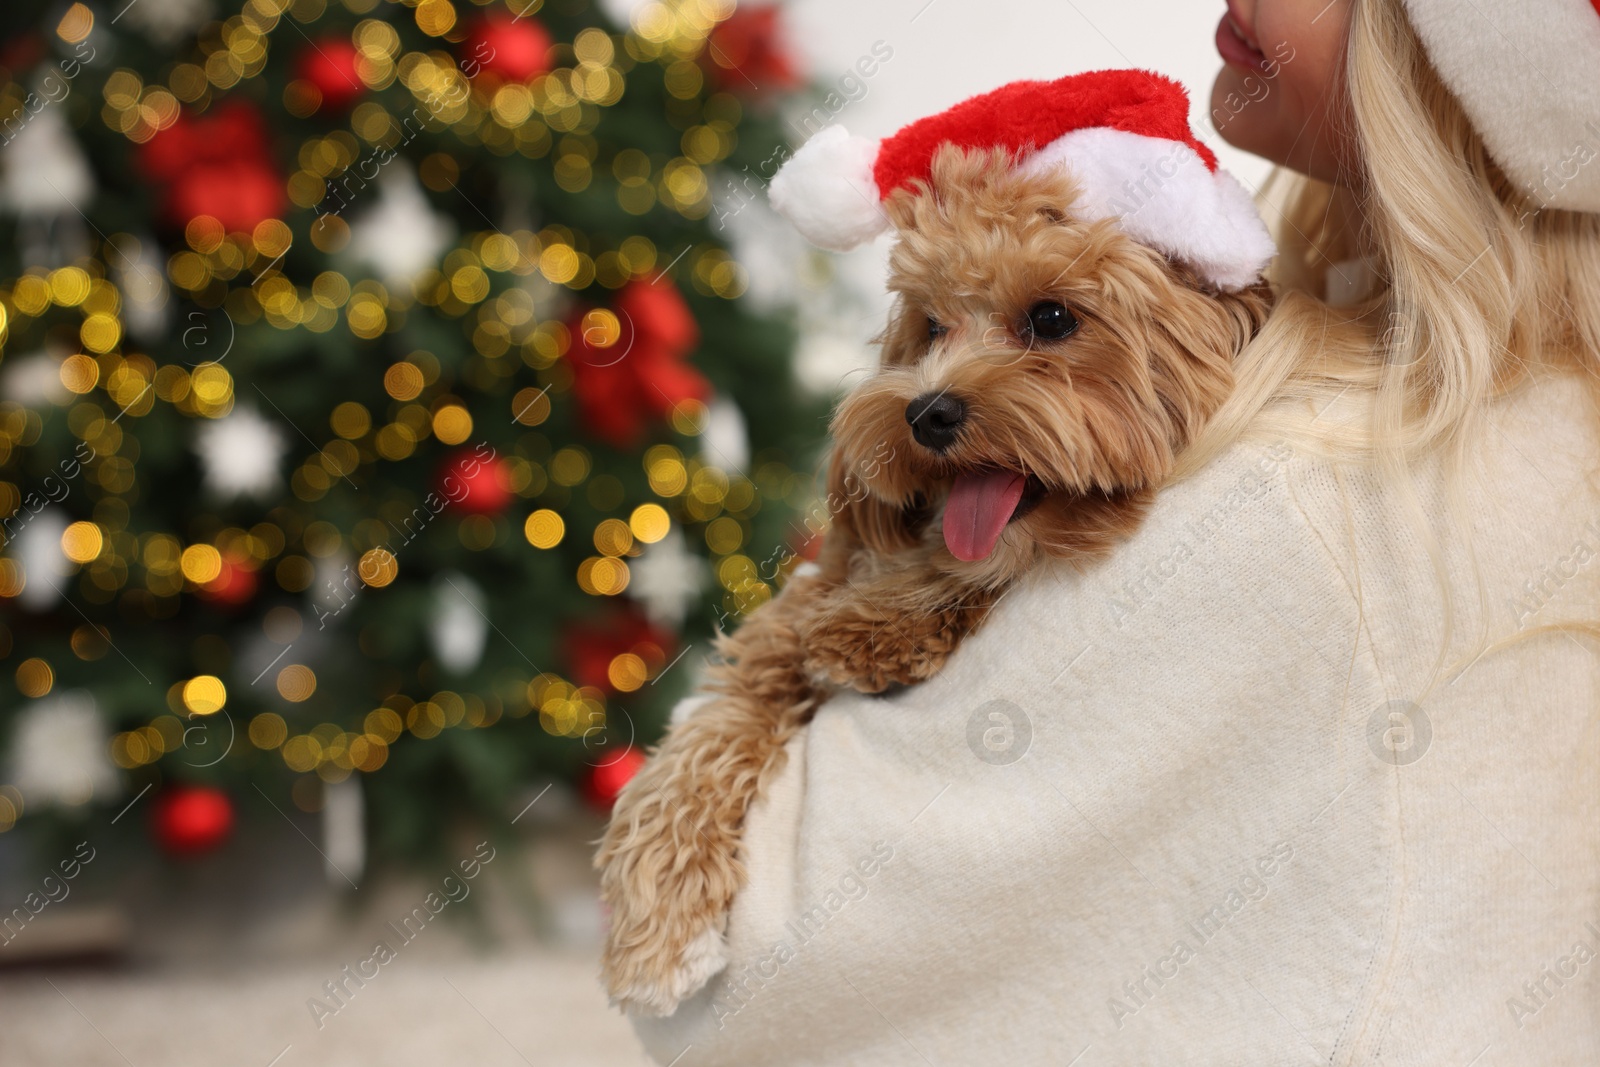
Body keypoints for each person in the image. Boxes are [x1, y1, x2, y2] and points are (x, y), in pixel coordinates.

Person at [632, 0, 1600, 1062]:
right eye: (934, 329)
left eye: (1049, 324)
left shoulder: (1286, 497)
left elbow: (745, 984)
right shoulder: (1538, 415)